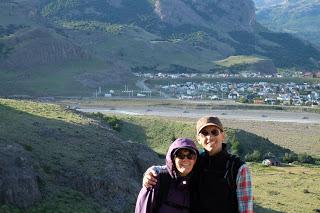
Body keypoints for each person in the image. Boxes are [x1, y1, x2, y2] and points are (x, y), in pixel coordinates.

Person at [143, 116, 254, 213]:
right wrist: (151, 172)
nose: (209, 137)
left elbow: (246, 209)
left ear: (222, 136)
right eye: (205, 133)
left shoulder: (238, 168)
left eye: (214, 132)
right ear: (198, 139)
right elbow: (172, 168)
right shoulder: (194, 159)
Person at [135, 138, 199, 213]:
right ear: (173, 158)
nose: (185, 159)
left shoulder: (196, 184)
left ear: (195, 159)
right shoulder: (156, 179)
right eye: (180, 155)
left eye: (190, 156)